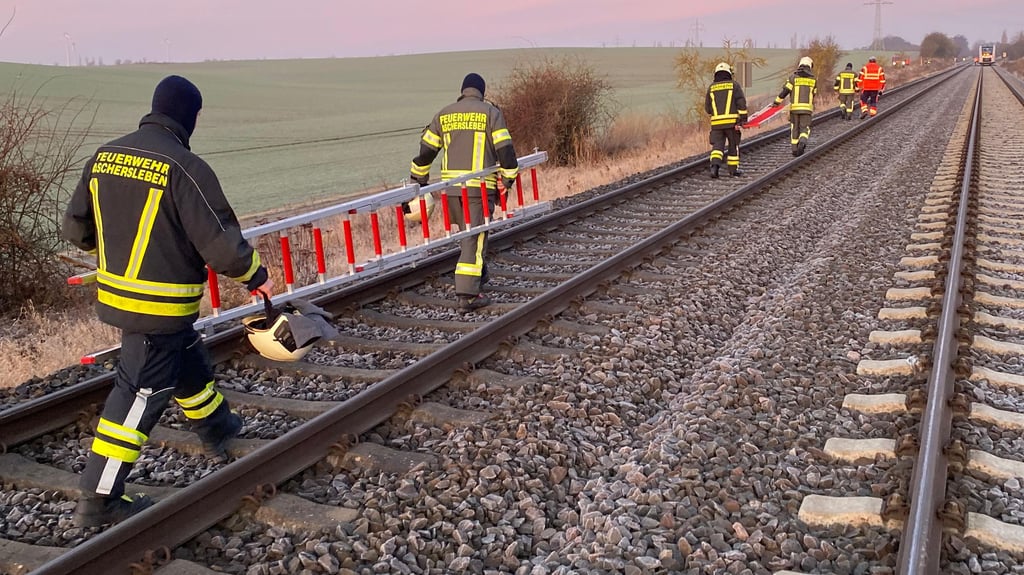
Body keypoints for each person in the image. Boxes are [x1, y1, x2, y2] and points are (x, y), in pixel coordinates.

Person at [62, 75, 274, 527]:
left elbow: (77, 230)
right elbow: (219, 243)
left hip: (121, 296)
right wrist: (256, 276)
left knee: (186, 359)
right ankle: (98, 498)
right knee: (138, 393)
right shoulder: (184, 167)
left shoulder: (104, 156)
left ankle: (217, 428)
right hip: (158, 306)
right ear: (191, 116)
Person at [410, 73, 518, 311]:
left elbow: (426, 150)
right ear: (482, 92)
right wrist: (508, 179)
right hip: (478, 189)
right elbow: (505, 151)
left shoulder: (444, 114)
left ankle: (478, 275)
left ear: (462, 91)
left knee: (466, 237)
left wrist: (419, 178)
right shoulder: (490, 113)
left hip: (451, 191)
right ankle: (468, 294)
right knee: (474, 238)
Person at [704, 62, 748, 178]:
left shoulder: (711, 87)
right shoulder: (734, 85)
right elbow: (741, 103)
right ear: (729, 73)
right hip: (732, 123)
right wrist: (743, 119)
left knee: (717, 146)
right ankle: (733, 171)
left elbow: (708, 108)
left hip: (716, 124)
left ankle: (714, 167)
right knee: (733, 145)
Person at [774, 56, 817, 156]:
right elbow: (814, 93)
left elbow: (785, 91)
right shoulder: (813, 80)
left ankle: (794, 149)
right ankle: (802, 141)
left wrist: (777, 102)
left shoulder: (793, 78)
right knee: (804, 128)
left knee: (794, 128)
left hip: (794, 109)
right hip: (806, 109)